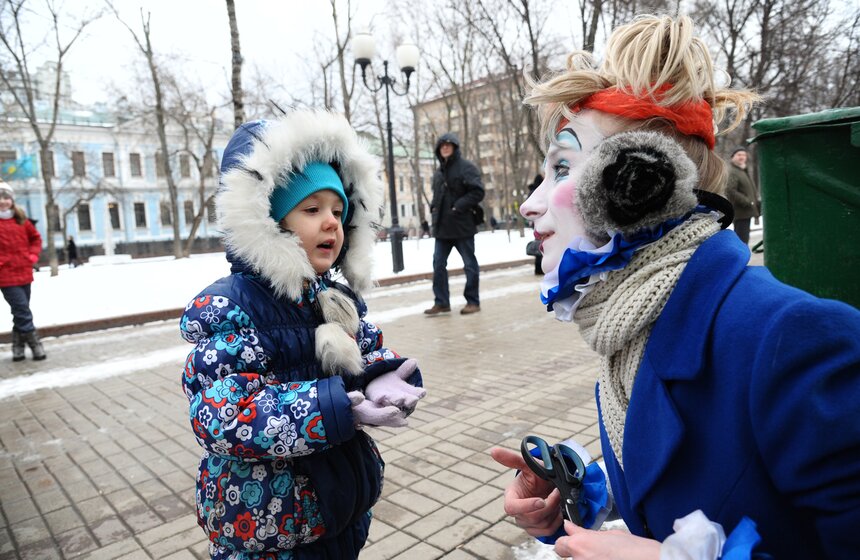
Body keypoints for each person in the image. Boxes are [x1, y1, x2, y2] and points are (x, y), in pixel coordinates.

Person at [490, 15, 860, 560]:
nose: (530, 204)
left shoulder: (792, 339)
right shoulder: (633, 330)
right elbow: (674, 472)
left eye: (562, 168)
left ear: (635, 182)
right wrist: (580, 495)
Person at [179, 110, 426, 560]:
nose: (331, 222)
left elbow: (367, 348)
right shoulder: (231, 308)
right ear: (267, 222)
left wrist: (383, 375)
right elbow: (225, 416)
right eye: (312, 210)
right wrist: (336, 409)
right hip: (270, 525)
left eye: (338, 210)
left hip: (334, 514)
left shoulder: (330, 297)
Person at [424, 132, 485, 315]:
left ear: (455, 147)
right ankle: (442, 302)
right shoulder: (438, 173)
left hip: (462, 225)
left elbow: (478, 191)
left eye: (449, 145)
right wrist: (434, 210)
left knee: (469, 264)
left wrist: (458, 206)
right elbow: (437, 197)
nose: (445, 147)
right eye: (442, 145)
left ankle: (473, 301)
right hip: (442, 228)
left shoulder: (466, 167)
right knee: (438, 264)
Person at [0, 180, 46, 362]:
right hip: (5, 276)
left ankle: (17, 347)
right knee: (22, 310)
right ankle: (36, 345)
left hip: (24, 273)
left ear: (11, 199)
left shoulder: (22, 220)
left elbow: (36, 239)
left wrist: (32, 257)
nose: (3, 201)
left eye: (6, 197)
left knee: (20, 311)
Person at [725, 147, 759, 244]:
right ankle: (740, 259)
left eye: (744, 155)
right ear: (733, 157)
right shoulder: (733, 171)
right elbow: (730, 191)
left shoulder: (742, 171)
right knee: (741, 241)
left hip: (746, 211)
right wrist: (747, 202)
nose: (742, 157)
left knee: (744, 239)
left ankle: (742, 258)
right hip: (741, 212)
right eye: (739, 155)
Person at [525, 173, 544, 274]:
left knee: (538, 242)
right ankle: (540, 268)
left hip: (534, 222)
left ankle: (538, 268)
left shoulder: (530, 193)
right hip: (541, 220)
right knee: (542, 243)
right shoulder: (540, 192)